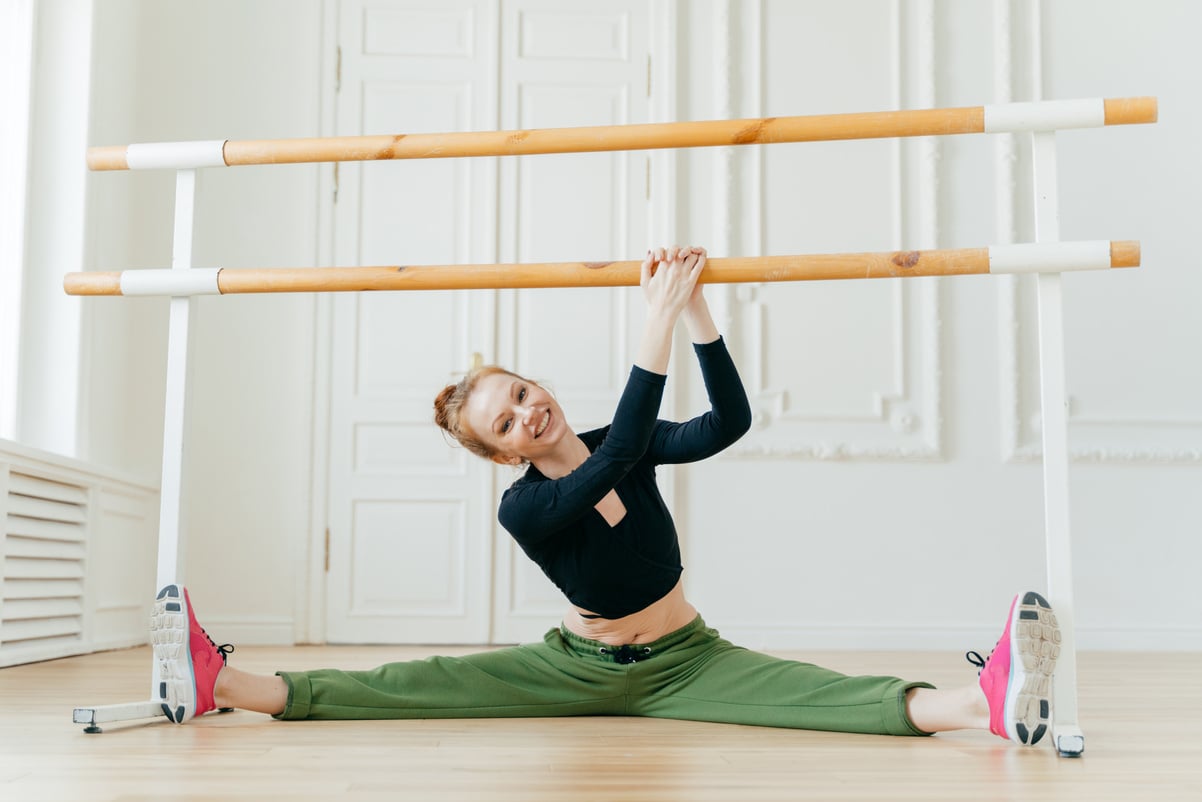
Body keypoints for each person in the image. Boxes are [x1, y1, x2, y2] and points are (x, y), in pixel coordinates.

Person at [152, 246, 1061, 746]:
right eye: (504, 422)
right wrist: (653, 321)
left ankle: (987, 704)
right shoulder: (525, 509)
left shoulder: (609, 439)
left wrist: (697, 313)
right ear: (497, 452)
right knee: (414, 685)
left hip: (688, 657)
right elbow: (622, 447)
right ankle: (221, 681)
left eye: (519, 392)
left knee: (825, 694)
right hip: (576, 665)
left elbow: (725, 424)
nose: (525, 411)